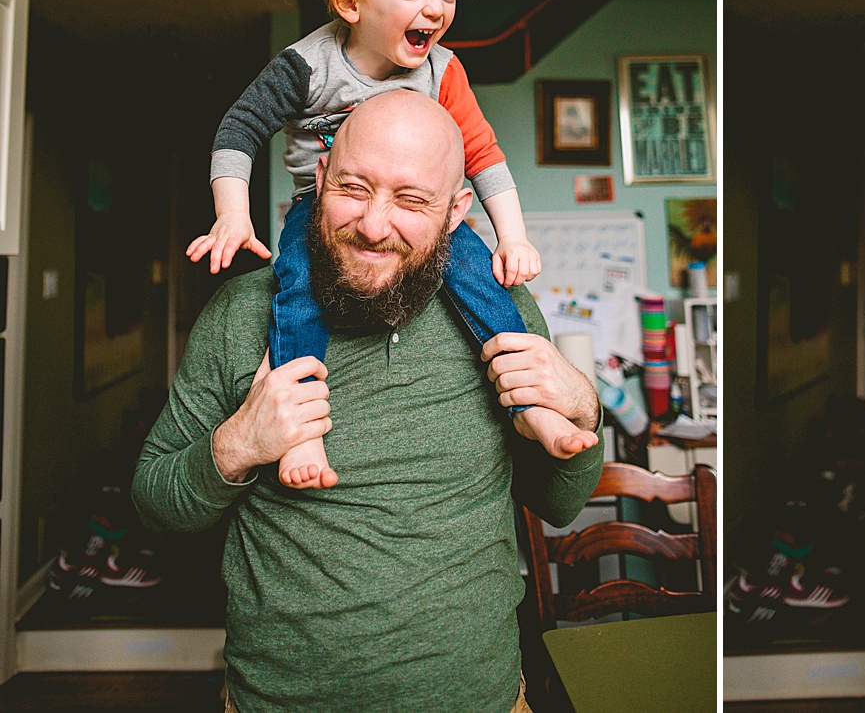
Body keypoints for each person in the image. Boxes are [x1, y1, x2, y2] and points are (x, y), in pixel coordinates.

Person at [134, 91, 604, 713]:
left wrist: (582, 406)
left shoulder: (505, 313)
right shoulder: (243, 313)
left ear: (457, 210)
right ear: (320, 175)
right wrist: (238, 444)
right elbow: (155, 504)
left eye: (412, 200)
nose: (375, 225)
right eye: (354, 188)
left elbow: (561, 505)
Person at [186, 0, 589, 488]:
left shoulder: (443, 71)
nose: (435, 9)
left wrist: (513, 235)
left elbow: (483, 154)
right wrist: (232, 213)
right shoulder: (306, 67)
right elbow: (237, 130)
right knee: (296, 290)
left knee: (478, 277)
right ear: (351, 1)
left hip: (430, 228)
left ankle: (531, 402)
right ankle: (302, 434)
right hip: (315, 207)